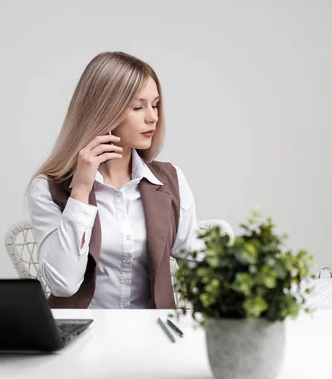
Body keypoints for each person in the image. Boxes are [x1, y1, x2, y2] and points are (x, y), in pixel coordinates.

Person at [27, 51, 203, 309]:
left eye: (155, 104)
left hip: (152, 336)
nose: (152, 116)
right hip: (80, 337)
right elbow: (63, 285)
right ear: (103, 112)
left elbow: (200, 265)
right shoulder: (48, 187)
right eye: (137, 106)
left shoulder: (170, 181)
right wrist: (81, 190)